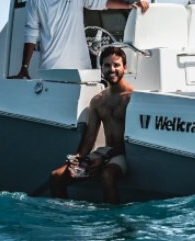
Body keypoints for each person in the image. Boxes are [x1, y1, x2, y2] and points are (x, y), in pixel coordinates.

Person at [11, 0, 149, 79]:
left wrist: (129, 5)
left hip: (81, 68)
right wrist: (24, 67)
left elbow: (101, 0)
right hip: (50, 67)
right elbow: (31, 33)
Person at [49, 46, 134, 203]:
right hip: (104, 153)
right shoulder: (97, 101)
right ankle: (63, 216)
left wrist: (104, 158)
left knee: (107, 175)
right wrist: (78, 158)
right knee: (56, 176)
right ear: (101, 68)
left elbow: (132, 141)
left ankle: (113, 218)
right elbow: (89, 139)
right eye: (107, 65)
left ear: (125, 67)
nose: (112, 69)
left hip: (125, 153)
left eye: (116, 65)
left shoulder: (133, 99)